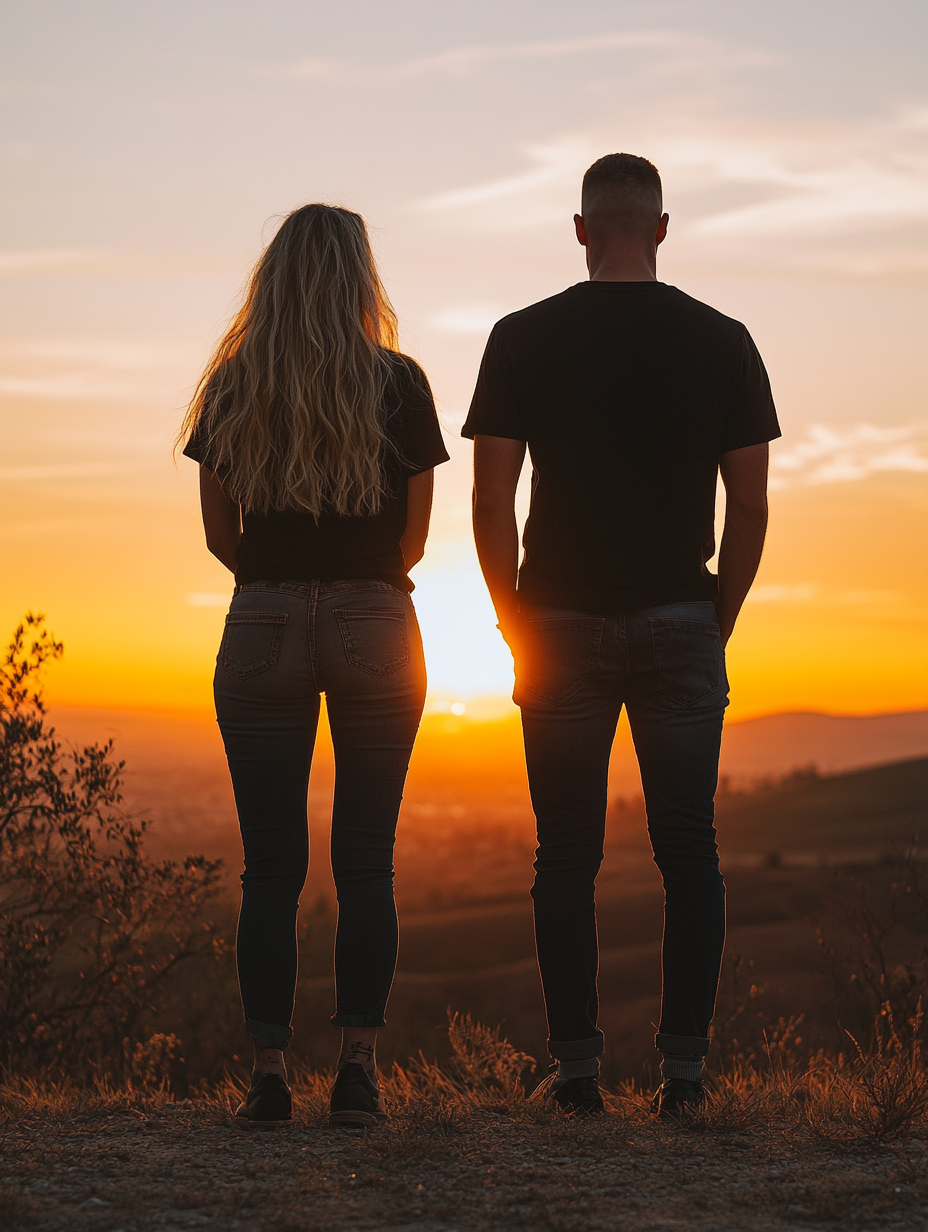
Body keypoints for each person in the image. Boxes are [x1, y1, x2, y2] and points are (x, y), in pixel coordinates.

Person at [463, 154, 780, 1118]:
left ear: (580, 229)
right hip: (683, 618)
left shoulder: (521, 337)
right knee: (690, 852)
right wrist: (712, 616)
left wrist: (513, 617)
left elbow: (489, 498)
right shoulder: (724, 341)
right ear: (663, 228)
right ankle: (684, 1077)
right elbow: (752, 504)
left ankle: (577, 1075)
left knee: (565, 854)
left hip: (556, 621)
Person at [181, 203, 449, 1129]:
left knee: (268, 870)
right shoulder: (401, 384)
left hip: (261, 620)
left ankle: (266, 1075)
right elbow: (415, 540)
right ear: (360, 279)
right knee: (366, 861)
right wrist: (354, 584)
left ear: (273, 278)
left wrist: (278, 583)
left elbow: (222, 535)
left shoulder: (231, 386)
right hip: (377, 618)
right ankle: (359, 1072)